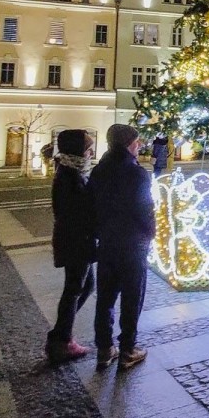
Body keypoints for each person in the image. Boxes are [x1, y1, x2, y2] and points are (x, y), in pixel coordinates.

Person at [90, 124, 155, 370]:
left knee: (105, 297)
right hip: (132, 244)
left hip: (107, 243)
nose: (139, 146)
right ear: (129, 143)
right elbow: (144, 208)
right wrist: (151, 233)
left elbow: (93, 207)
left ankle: (104, 348)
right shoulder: (136, 173)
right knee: (132, 296)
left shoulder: (100, 170)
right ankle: (128, 348)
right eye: (137, 142)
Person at [45, 129, 98, 364]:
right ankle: (61, 340)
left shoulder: (72, 170)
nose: (91, 151)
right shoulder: (70, 176)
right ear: (78, 149)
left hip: (75, 240)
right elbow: (77, 212)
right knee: (75, 289)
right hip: (76, 241)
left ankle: (60, 334)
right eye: (88, 147)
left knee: (84, 287)